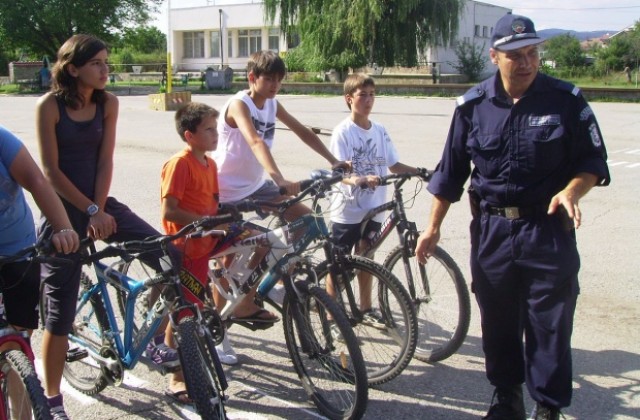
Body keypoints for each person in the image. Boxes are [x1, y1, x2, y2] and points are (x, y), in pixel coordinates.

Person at [414, 14, 610, 420]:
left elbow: (592, 161)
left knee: (550, 322)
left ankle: (548, 406)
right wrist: (431, 228)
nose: (526, 63)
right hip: (493, 231)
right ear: (494, 56)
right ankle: (507, 396)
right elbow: (449, 174)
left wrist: (572, 192)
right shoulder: (472, 107)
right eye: (515, 55)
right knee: (498, 317)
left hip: (547, 227)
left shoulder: (566, 101)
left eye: (532, 53)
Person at [35, 34, 178, 419]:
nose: (105, 69)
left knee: (169, 253)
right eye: (97, 62)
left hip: (100, 205)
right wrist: (87, 210)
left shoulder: (107, 103)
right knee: (58, 317)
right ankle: (51, 400)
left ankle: (148, 331)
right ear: (73, 68)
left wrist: (99, 209)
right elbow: (50, 172)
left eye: (106, 61)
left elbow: (105, 161)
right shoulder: (49, 107)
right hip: (62, 216)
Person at [211, 50, 348, 362]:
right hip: (225, 191)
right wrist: (280, 179)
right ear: (252, 78)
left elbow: (301, 130)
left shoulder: (272, 103)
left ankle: (271, 277)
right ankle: (218, 333)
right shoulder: (239, 104)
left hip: (256, 185)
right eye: (268, 78)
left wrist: (333, 160)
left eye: (278, 80)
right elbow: (255, 142)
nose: (274, 85)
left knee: (308, 222)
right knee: (231, 265)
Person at [327, 73, 420, 326]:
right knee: (339, 264)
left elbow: (393, 164)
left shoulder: (380, 130)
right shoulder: (343, 132)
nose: (368, 100)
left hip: (374, 207)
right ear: (349, 99)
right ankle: (331, 314)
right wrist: (356, 179)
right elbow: (339, 172)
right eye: (362, 95)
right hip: (348, 209)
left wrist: (421, 172)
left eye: (371, 95)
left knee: (367, 256)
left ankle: (366, 308)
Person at [0, 125, 79, 416]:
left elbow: (36, 180)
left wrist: (63, 227)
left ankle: (21, 411)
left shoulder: (2, 139)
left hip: (16, 247)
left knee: (18, 343)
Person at [160, 102, 231, 394]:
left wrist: (224, 220)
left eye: (217, 129)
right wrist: (203, 222)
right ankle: (175, 372)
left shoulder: (210, 163)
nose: (216, 134)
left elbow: (212, 202)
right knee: (184, 312)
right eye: (209, 129)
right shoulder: (180, 163)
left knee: (260, 238)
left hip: (208, 240)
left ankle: (238, 302)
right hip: (187, 247)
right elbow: (169, 211)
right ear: (190, 135)